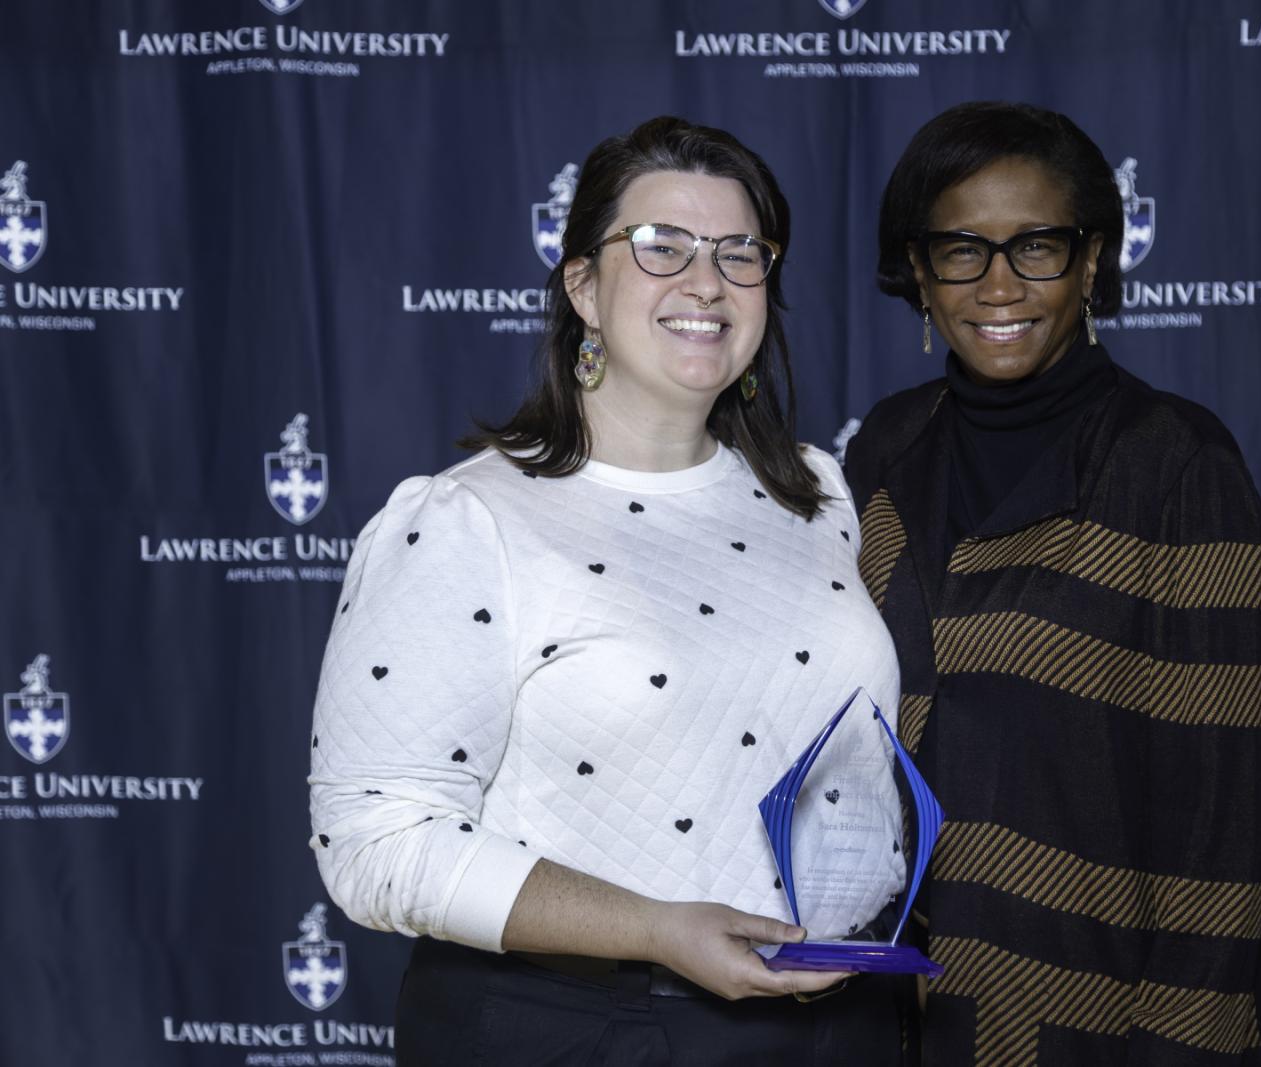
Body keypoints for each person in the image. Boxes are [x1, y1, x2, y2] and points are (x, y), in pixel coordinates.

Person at [308, 116, 906, 1065]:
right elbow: (375, 843)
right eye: (661, 247)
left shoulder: (818, 492)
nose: (704, 282)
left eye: (738, 253)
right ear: (584, 285)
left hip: (841, 1029)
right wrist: (654, 926)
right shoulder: (469, 524)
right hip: (586, 1031)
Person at [844, 101, 1261, 1065]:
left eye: (1035, 245)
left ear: (1092, 261)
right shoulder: (884, 448)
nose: (999, 283)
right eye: (961, 248)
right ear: (918, 270)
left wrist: (1182, 1045)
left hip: (1104, 1020)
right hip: (892, 1013)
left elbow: (1223, 821)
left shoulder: (1177, 464)